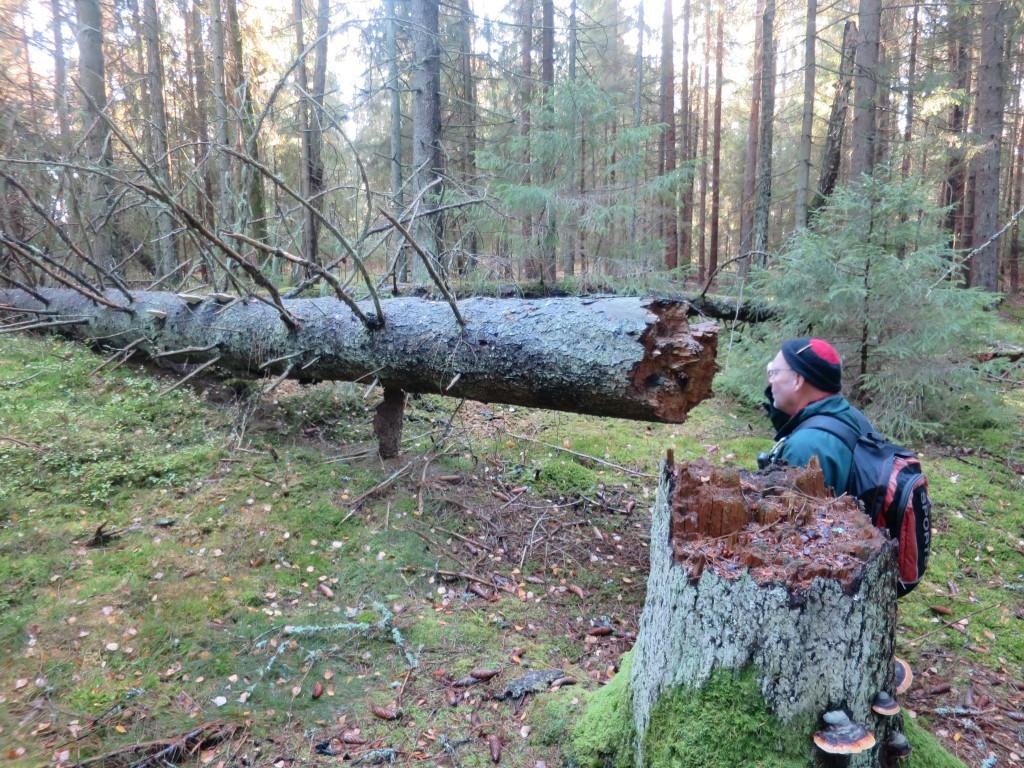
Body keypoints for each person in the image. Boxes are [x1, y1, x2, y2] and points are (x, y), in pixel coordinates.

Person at [763, 338, 873, 494]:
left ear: (797, 380)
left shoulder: (804, 448)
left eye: (774, 372)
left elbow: (790, 514)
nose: (770, 381)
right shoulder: (853, 417)